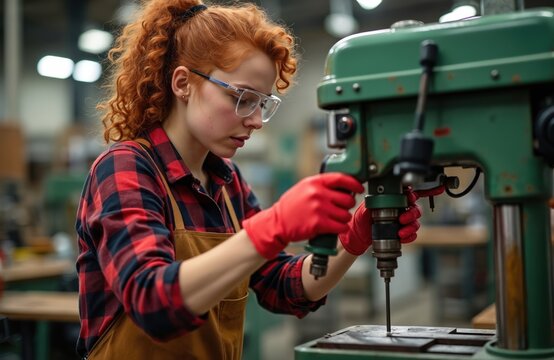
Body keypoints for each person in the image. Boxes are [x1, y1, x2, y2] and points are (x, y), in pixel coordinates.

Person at [75, 1, 443, 359]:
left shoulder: (226, 182)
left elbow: (282, 286)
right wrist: (272, 226)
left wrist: (352, 239)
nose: (254, 120)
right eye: (243, 98)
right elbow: (151, 300)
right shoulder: (125, 168)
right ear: (183, 83)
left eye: (263, 103)